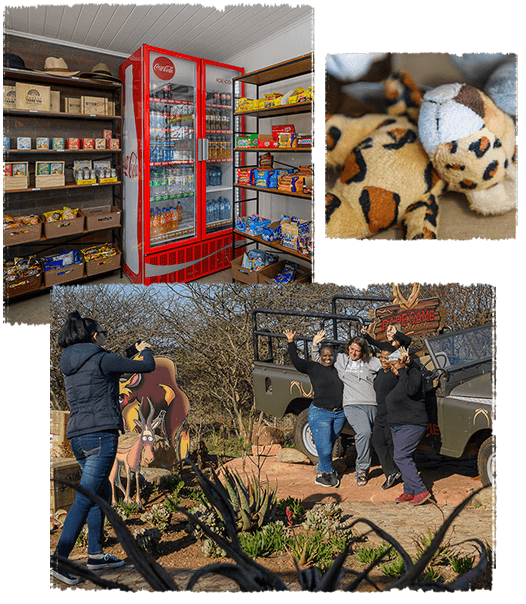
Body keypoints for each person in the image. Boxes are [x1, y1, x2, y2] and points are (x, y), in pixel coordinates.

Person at [51, 311, 156, 585]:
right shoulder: (101, 359)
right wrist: (146, 352)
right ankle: (59, 561)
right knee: (86, 496)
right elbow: (147, 367)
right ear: (95, 336)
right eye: (103, 333)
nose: (105, 337)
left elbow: (113, 360)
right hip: (100, 436)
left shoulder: (72, 361)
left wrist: (132, 349)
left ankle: (96, 554)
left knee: (100, 492)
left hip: (78, 437)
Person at [313, 331, 381, 487]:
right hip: (352, 404)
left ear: (363, 351)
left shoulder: (372, 362)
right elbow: (320, 359)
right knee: (364, 433)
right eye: (351, 349)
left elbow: (390, 362)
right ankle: (362, 470)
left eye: (357, 350)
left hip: (373, 404)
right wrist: (315, 344)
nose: (353, 353)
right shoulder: (341, 359)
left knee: (378, 437)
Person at [284, 329, 345, 488]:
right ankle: (329, 473)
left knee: (329, 445)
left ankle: (320, 474)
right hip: (320, 413)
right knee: (324, 448)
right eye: (324, 355)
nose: (327, 358)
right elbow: (297, 362)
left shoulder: (339, 368)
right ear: (320, 355)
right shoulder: (313, 367)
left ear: (334, 356)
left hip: (339, 414)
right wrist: (291, 342)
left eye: (330, 355)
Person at [386, 348, 431, 505]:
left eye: (394, 365)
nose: (393, 369)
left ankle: (421, 490)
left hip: (412, 424)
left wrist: (404, 366)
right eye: (391, 366)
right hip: (398, 425)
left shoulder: (413, 373)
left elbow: (411, 390)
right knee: (406, 457)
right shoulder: (402, 376)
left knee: (401, 456)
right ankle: (409, 490)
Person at [371, 349, 401, 489]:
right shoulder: (379, 372)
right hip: (380, 413)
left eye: (387, 358)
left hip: (392, 413)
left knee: (391, 444)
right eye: (381, 357)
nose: (383, 360)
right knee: (377, 441)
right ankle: (392, 471)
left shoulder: (396, 374)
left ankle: (396, 471)